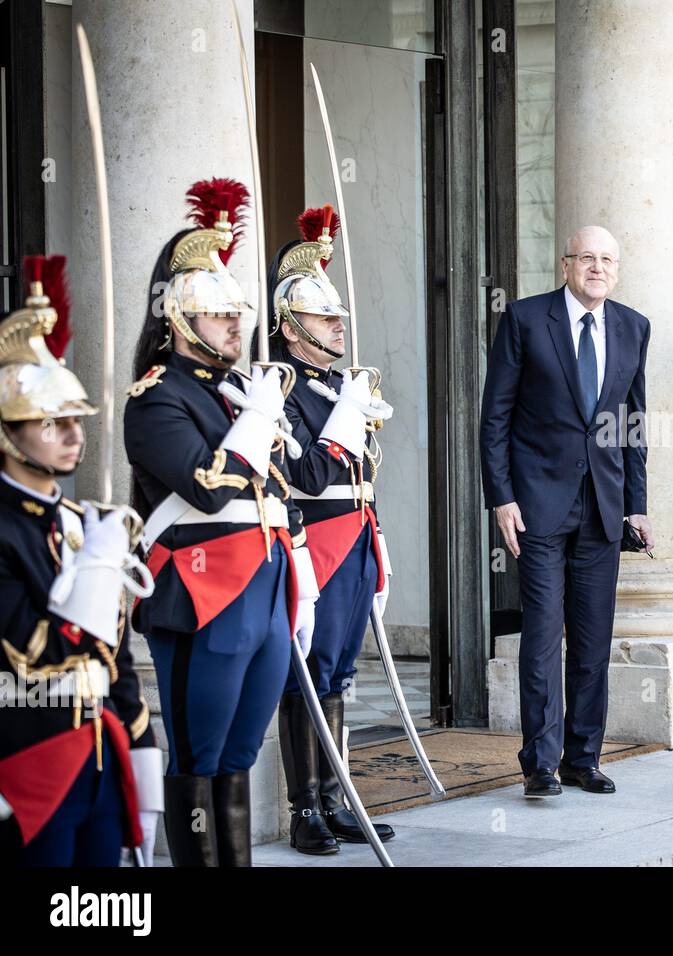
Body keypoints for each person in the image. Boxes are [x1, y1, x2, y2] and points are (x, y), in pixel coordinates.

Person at [124, 178, 319, 865]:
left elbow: (281, 495)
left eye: (237, 311)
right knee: (199, 756)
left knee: (239, 756)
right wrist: (260, 419)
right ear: (179, 319)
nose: (237, 323)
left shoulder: (240, 394)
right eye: (217, 313)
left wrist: (304, 584)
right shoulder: (155, 401)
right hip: (201, 598)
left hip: (265, 595)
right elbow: (207, 488)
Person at [479, 225, 652, 797]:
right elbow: (495, 417)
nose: (596, 267)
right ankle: (541, 762)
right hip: (537, 508)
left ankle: (583, 757)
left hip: (602, 510)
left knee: (594, 640)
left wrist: (637, 505)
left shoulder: (633, 327)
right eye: (586, 258)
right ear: (565, 265)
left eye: (607, 259)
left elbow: (632, 424)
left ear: (618, 269)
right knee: (543, 637)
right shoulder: (526, 320)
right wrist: (501, 496)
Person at [0, 255, 160, 866]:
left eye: (77, 421)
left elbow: (114, 657)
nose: (73, 436)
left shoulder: (78, 522)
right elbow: (35, 650)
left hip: (98, 754)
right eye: (51, 423)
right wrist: (95, 570)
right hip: (27, 761)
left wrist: (139, 748)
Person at [269, 204, 395, 853]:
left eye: (338, 315)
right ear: (291, 330)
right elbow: (309, 474)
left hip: (356, 539)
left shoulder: (339, 384)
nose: (337, 325)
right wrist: (346, 415)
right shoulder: (284, 388)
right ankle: (302, 810)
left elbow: (363, 477)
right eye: (323, 318)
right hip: (315, 542)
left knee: (341, 677)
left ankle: (336, 794)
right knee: (306, 678)